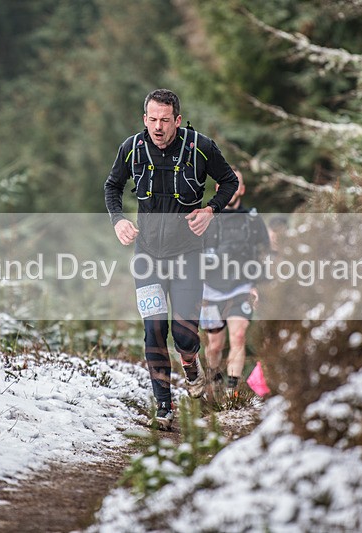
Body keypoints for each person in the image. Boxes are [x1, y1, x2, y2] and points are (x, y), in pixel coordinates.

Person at [104, 88, 239, 430]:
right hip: (147, 255)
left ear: (177, 120)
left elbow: (229, 181)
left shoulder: (200, 147)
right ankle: (164, 405)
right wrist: (118, 220)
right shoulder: (132, 148)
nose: (158, 127)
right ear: (144, 118)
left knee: (184, 335)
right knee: (153, 330)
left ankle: (190, 363)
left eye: (165, 120)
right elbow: (112, 186)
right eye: (152, 120)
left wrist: (211, 210)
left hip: (188, 255)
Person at [200, 169, 271, 400]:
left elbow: (264, 253)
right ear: (218, 188)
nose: (231, 188)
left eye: (236, 183)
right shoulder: (206, 218)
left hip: (241, 287)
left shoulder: (252, 219)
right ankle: (214, 382)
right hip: (210, 290)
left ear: (242, 189)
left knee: (238, 337)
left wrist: (258, 285)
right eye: (225, 183)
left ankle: (232, 393)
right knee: (214, 345)